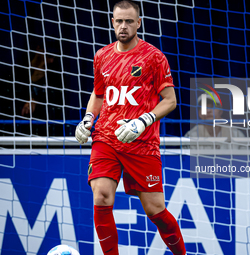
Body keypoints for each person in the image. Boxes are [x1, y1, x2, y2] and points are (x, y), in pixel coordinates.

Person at [75, 1, 186, 254]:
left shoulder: (154, 57)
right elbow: (99, 93)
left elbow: (170, 101)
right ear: (112, 22)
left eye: (128, 21)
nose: (123, 26)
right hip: (107, 138)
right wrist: (88, 119)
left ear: (138, 23)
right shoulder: (102, 56)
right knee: (101, 195)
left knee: (155, 209)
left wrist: (143, 120)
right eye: (118, 21)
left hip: (142, 142)